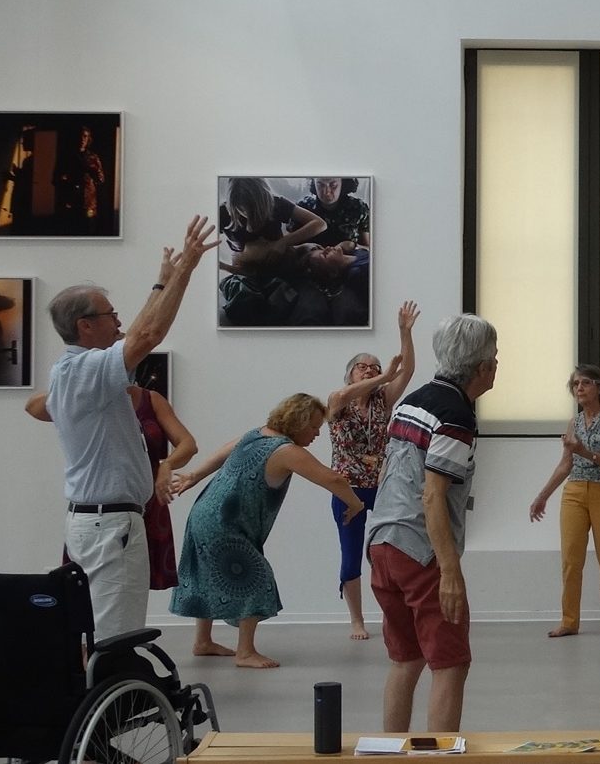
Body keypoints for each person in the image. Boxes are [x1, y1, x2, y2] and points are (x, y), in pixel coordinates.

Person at [44, 215, 218, 641]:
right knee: (115, 638)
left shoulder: (69, 371)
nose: (118, 324)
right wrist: (186, 270)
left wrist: (162, 284)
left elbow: (141, 329)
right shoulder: (90, 370)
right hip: (110, 528)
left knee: (99, 632)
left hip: (97, 522)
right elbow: (150, 332)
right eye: (110, 316)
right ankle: (109, 702)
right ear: (85, 326)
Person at [365, 314, 499, 732]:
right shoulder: (456, 415)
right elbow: (433, 495)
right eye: (494, 358)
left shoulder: (413, 399)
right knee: (450, 663)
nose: (497, 365)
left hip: (382, 541)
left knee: (406, 658)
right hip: (420, 550)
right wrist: (450, 573)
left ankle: (391, 752)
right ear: (481, 367)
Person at [168, 394, 364, 668]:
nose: (317, 433)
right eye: (314, 427)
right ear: (299, 422)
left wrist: (194, 475)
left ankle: (203, 641)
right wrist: (357, 504)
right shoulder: (285, 450)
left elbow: (224, 451)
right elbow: (332, 478)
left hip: (206, 513)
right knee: (257, 578)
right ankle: (245, 652)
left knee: (208, 575)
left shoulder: (256, 434)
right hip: (225, 523)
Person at [26, 379, 201, 593]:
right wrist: (78, 382)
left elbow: (188, 444)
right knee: (93, 588)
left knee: (132, 587)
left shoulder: (151, 399)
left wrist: (167, 465)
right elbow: (33, 407)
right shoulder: (90, 397)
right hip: (104, 501)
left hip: (146, 500)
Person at [326, 302, 420, 640]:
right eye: (362, 367)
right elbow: (345, 394)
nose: (369, 370)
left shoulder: (383, 400)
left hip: (380, 488)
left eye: (374, 367)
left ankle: (393, 614)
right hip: (347, 489)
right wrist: (383, 374)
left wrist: (404, 334)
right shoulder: (338, 399)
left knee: (386, 553)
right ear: (350, 373)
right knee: (351, 556)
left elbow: (406, 371)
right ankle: (356, 620)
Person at [530, 365, 600, 637]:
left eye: (585, 383)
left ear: (599, 387)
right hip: (574, 491)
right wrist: (543, 495)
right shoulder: (574, 423)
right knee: (571, 559)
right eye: (575, 384)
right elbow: (565, 465)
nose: (580, 388)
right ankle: (569, 620)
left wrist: (583, 450)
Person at [218, 178, 326, 273]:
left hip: (281, 259)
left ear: (266, 200)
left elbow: (320, 224)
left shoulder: (275, 203)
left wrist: (283, 242)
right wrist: (225, 266)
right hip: (245, 268)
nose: (250, 226)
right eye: (243, 212)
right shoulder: (222, 213)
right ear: (232, 205)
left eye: (256, 211)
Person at [299, 177, 373, 247]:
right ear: (314, 184)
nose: (326, 192)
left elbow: (368, 249)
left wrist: (353, 246)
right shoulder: (303, 207)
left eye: (333, 185)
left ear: (343, 183)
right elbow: (290, 246)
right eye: (320, 185)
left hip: (349, 258)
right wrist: (304, 247)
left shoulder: (358, 208)